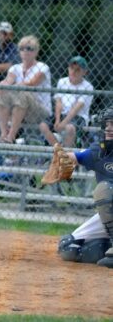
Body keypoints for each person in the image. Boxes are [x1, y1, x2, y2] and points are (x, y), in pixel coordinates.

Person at [57, 106, 113, 268]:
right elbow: (76, 157)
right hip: (110, 214)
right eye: (107, 124)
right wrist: (62, 159)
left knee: (105, 190)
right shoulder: (99, 152)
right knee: (69, 248)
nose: (109, 128)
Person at [0, 35, 51, 143]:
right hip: (18, 108)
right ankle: (4, 135)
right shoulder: (15, 68)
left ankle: (11, 137)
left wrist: (9, 88)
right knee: (2, 95)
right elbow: (8, 81)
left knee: (23, 94)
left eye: (29, 48)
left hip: (39, 111)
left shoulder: (43, 67)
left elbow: (31, 83)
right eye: (22, 48)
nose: (25, 51)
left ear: (36, 51)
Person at [39, 56, 94, 148]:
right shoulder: (62, 81)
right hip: (62, 114)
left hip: (78, 117)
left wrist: (63, 123)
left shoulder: (88, 86)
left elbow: (77, 108)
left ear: (84, 72)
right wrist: (57, 120)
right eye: (72, 68)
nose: (73, 72)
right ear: (68, 68)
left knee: (70, 128)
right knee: (43, 125)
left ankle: (66, 156)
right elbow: (58, 102)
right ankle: (59, 150)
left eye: (78, 70)